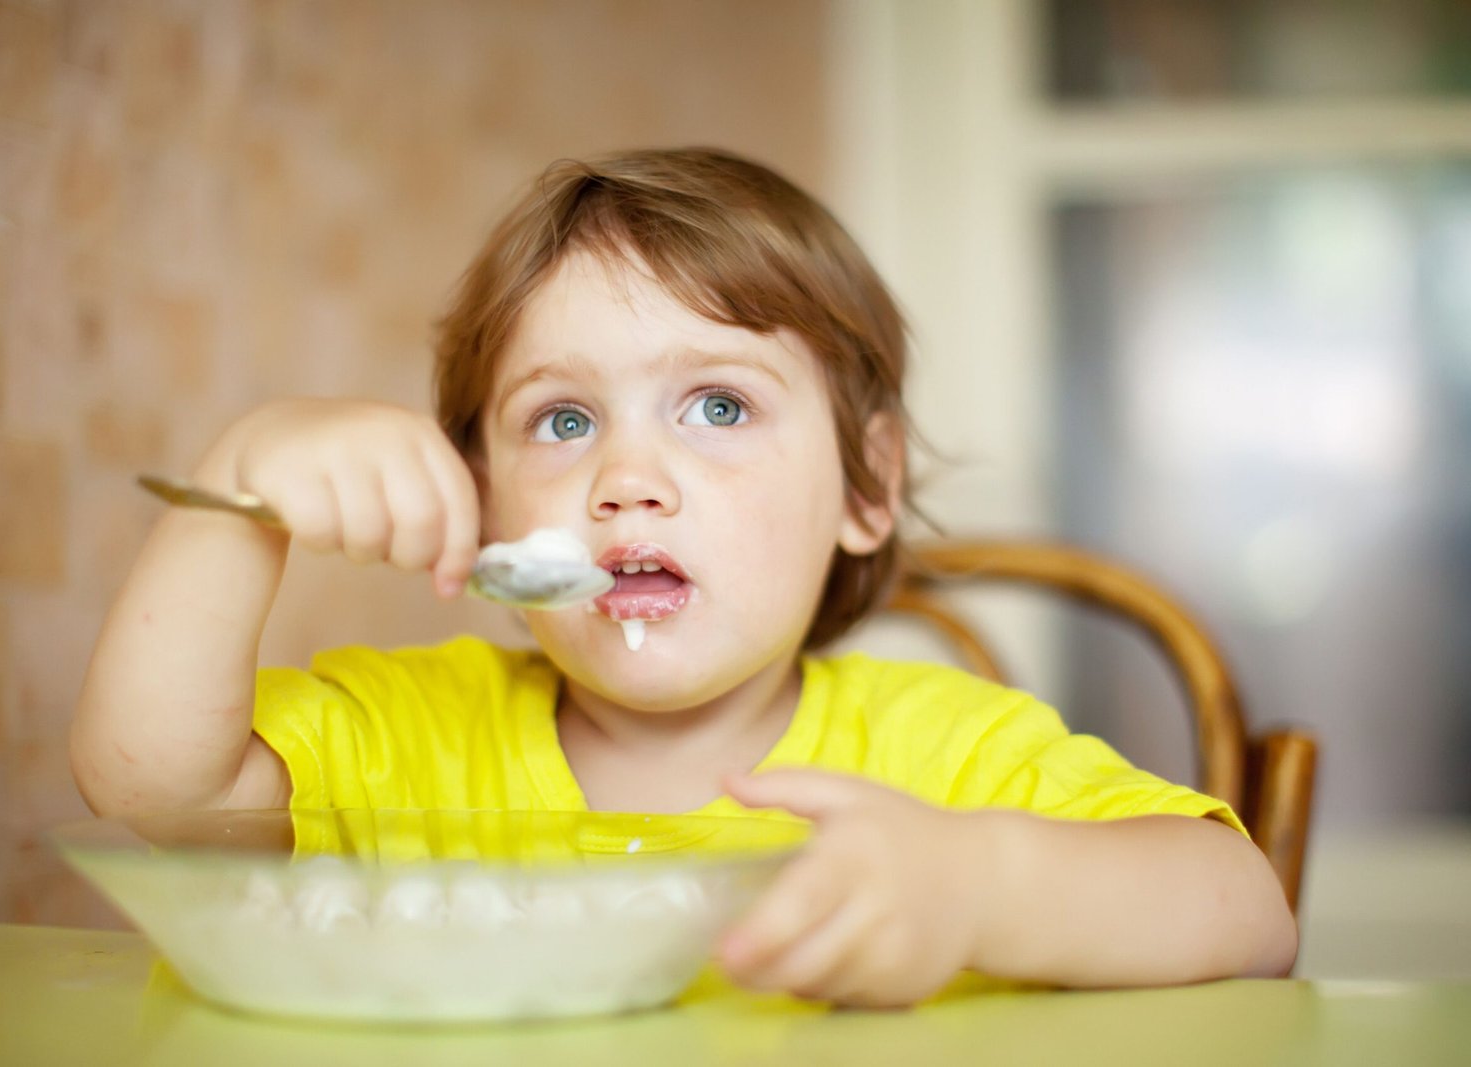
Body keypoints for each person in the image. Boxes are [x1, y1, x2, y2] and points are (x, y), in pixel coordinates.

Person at [71, 147, 1297, 1007]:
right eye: (561, 421)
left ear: (865, 486)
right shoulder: (409, 732)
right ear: (479, 495)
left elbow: (1245, 908)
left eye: (717, 405)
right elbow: (153, 786)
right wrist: (237, 492)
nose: (627, 478)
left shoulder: (944, 754)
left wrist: (979, 886)